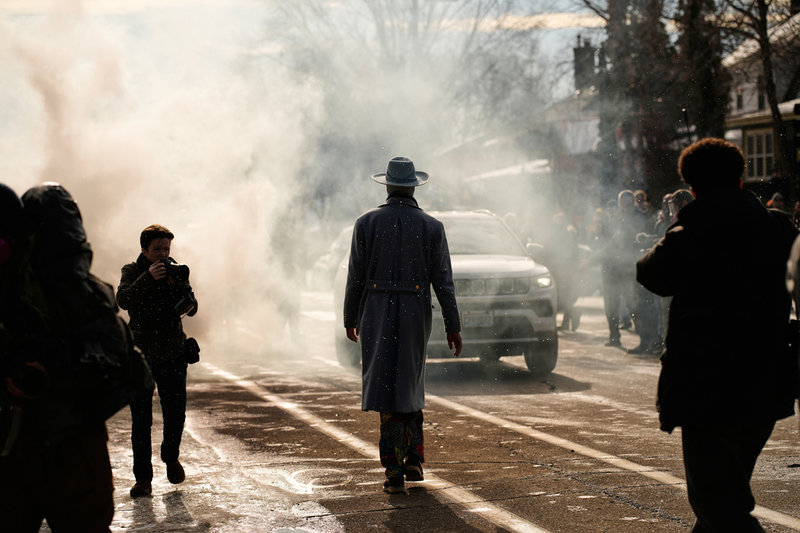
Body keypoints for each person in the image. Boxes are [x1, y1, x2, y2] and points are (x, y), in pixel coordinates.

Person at [637, 138, 798, 531]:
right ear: (741, 180)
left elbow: (650, 274)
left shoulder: (690, 231)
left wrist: (683, 220)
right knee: (722, 497)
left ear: (693, 188)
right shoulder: (779, 227)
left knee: (718, 505)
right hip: (764, 380)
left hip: (705, 385)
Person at [1, 183, 151, 532]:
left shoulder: (17, 290)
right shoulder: (88, 292)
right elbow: (132, 371)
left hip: (25, 444)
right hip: (76, 448)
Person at [343, 156, 462, 494]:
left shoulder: (365, 224)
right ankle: (414, 457)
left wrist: (350, 317)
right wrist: (453, 324)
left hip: (376, 310)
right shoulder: (432, 227)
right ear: (412, 188)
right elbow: (444, 282)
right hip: (414, 310)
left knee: (385, 386)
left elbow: (355, 277)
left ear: (388, 186)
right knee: (410, 382)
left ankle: (393, 469)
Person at [118, 224, 198, 498]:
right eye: (157, 249)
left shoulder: (175, 270)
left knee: (175, 414)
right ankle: (143, 480)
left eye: (166, 249)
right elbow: (123, 300)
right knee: (141, 420)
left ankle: (170, 456)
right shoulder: (132, 271)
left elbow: (193, 308)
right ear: (144, 250)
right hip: (141, 356)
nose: (163, 254)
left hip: (172, 354)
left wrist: (179, 289)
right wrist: (148, 278)